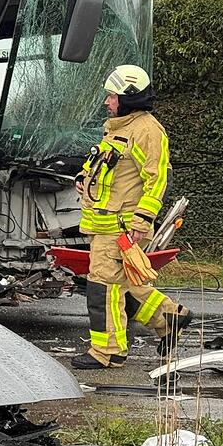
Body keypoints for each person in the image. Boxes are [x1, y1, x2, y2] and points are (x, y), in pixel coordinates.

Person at [71, 64, 192, 370]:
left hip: (122, 226)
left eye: (112, 96)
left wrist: (142, 220)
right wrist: (83, 176)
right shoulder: (118, 128)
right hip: (106, 224)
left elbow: (157, 180)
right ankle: (169, 318)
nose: (107, 101)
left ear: (128, 98)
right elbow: (103, 165)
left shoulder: (147, 130)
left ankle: (107, 352)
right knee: (125, 287)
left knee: (103, 287)